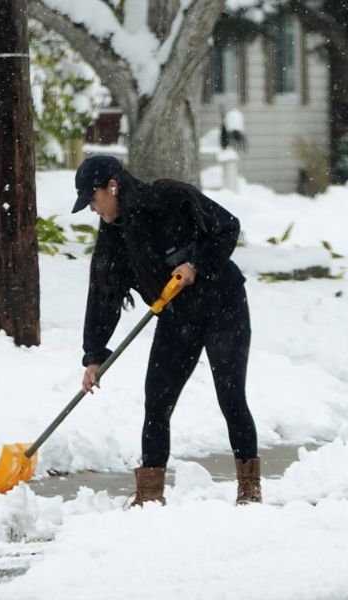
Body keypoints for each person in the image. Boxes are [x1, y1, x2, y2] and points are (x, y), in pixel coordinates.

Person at [72, 155, 261, 507]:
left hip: (224, 307)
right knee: (157, 402)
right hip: (177, 318)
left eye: (93, 198)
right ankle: (149, 496)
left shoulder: (170, 198)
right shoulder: (115, 236)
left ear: (112, 185)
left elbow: (227, 226)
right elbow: (104, 294)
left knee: (230, 397)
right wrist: (94, 354)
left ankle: (249, 489)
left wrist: (196, 264)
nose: (92, 208)